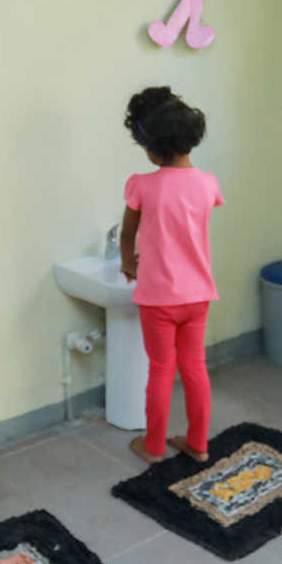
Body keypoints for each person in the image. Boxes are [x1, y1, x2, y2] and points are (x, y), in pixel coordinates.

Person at [118, 88, 223, 465]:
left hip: (159, 299)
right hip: (198, 297)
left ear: (151, 149)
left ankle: (154, 447)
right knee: (195, 368)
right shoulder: (209, 183)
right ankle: (198, 445)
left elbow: (127, 234)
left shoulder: (141, 185)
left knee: (161, 370)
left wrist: (129, 263)